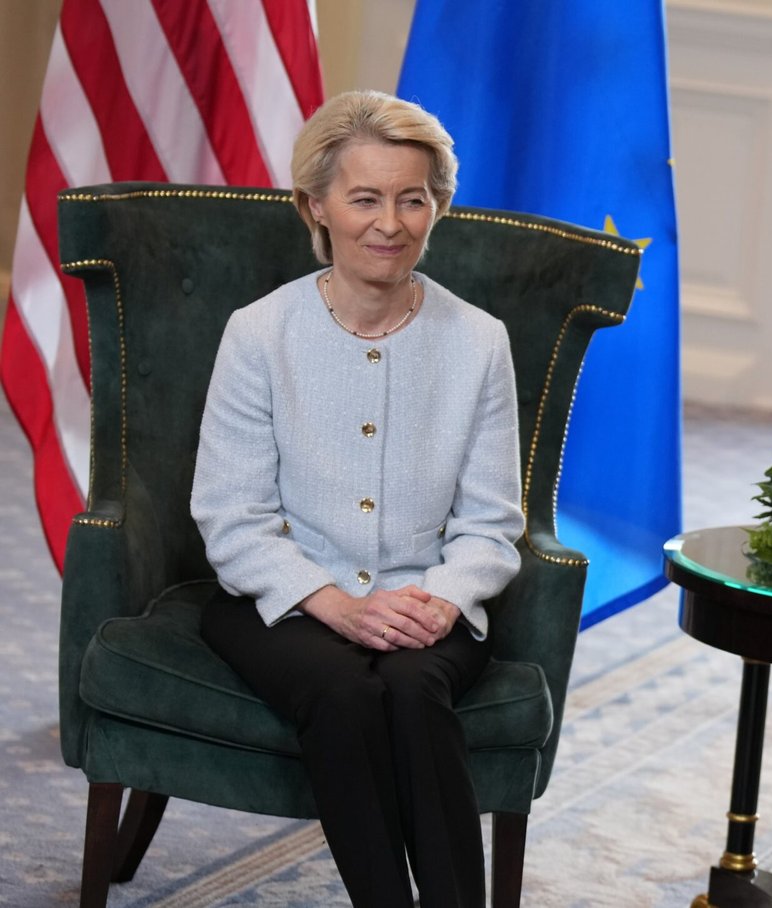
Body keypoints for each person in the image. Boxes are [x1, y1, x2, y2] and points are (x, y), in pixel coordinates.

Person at [191, 89, 524, 908]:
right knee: (345, 692)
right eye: (365, 198)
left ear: (437, 208)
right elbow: (230, 517)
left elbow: (491, 524)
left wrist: (440, 601)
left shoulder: (479, 341)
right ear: (316, 205)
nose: (391, 224)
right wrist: (336, 605)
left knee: (412, 688)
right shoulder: (259, 332)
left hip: (427, 605)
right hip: (282, 602)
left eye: (413, 199)